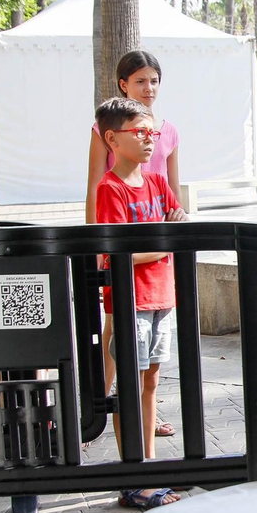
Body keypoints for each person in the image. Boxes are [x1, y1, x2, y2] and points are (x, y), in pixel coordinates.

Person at [93, 97, 188, 509]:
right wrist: (161, 242)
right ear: (112, 138)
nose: (150, 140)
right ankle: (134, 474)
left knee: (150, 382)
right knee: (129, 386)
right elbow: (116, 254)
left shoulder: (156, 182)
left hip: (161, 295)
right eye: (141, 132)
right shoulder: (108, 189)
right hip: (129, 300)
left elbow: (177, 221)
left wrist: (158, 239)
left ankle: (148, 466)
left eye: (153, 132)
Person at [85, 51, 182, 436]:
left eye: (154, 80)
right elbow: (95, 181)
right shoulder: (107, 127)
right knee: (118, 329)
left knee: (149, 357)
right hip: (124, 228)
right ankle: (100, 405)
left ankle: (144, 413)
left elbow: (172, 184)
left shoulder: (168, 130)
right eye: (140, 80)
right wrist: (97, 241)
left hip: (155, 217)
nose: (149, 88)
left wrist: (175, 221)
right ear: (124, 83)